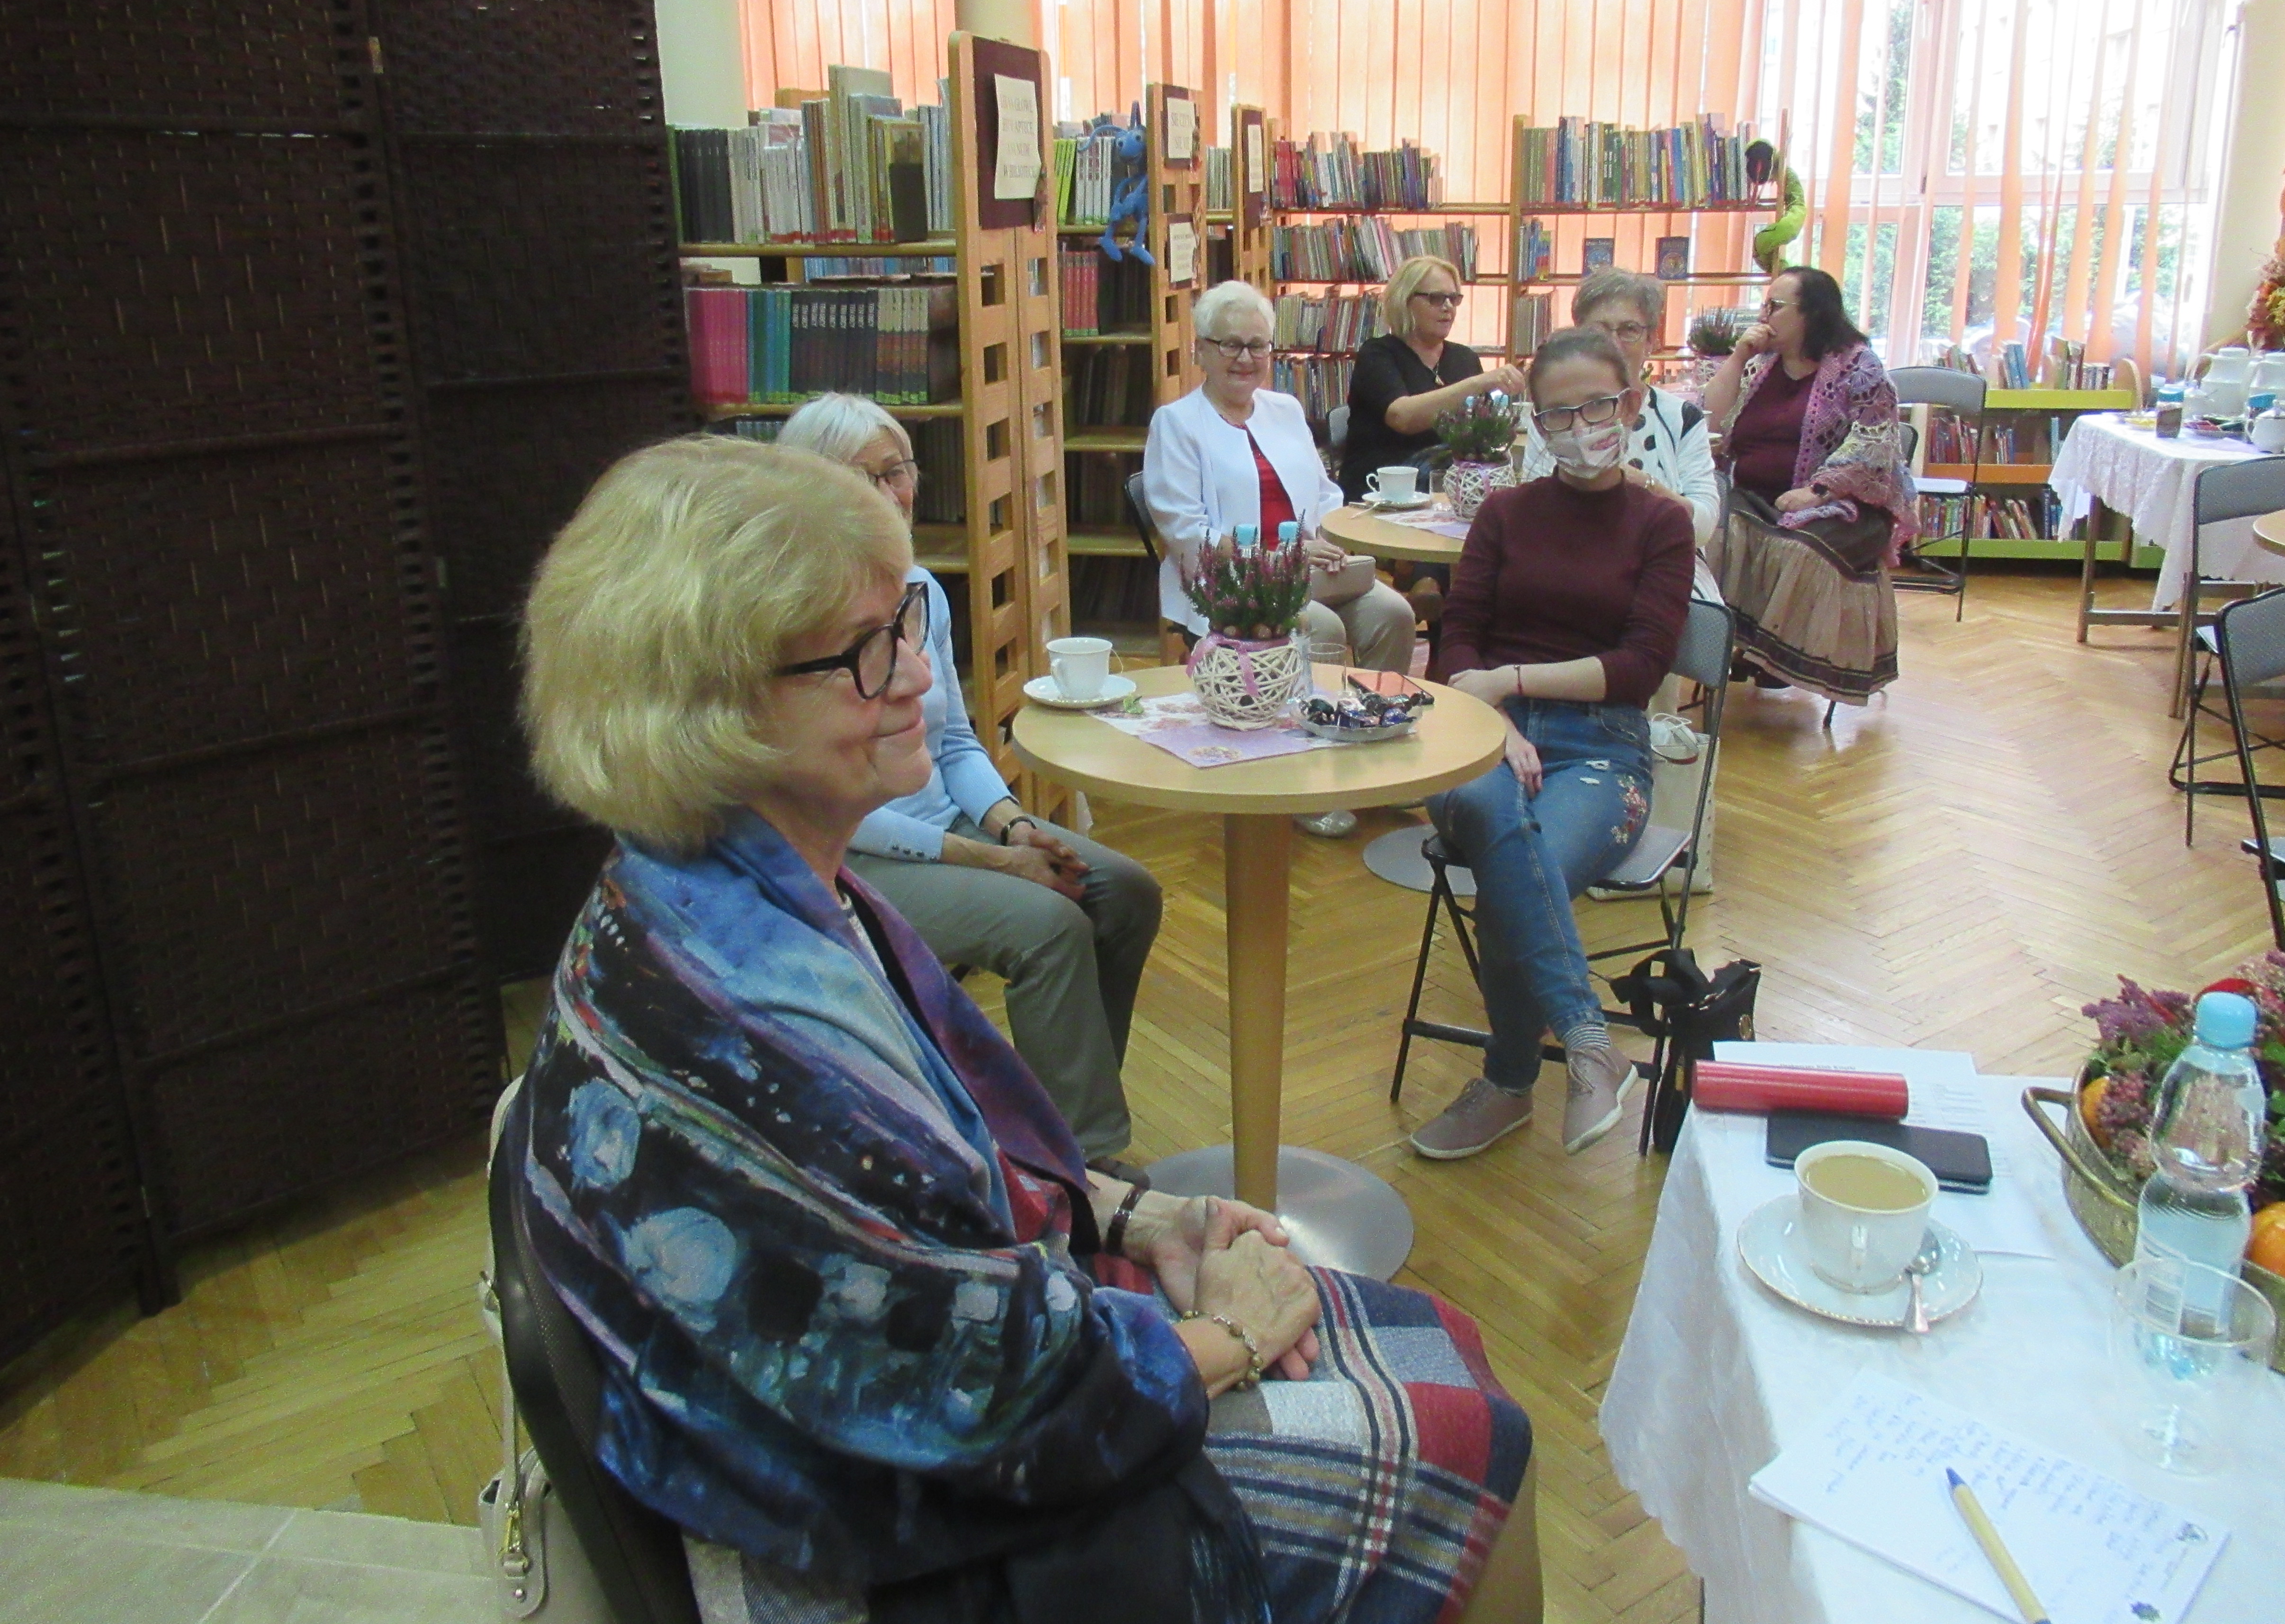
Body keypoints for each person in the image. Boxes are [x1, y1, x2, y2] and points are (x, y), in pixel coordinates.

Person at [514, 436, 1540, 1624]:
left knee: (1442, 1350)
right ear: (709, 709)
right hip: (890, 1539)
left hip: (926, 1407)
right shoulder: (751, 1017)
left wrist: (1137, 1214)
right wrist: (1230, 1335)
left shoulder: (732, 890)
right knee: (1466, 1430)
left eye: (904, 622)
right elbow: (991, 1401)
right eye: (865, 650)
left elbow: (939, 1178)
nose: (916, 673)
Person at [775, 395, 1160, 1177]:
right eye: (859, 478)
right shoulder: (797, 619)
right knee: (1050, 925)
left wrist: (1015, 826)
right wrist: (994, 859)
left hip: (950, 825)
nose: (887, 495)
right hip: (854, 856)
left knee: (1124, 891)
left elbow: (954, 742)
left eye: (896, 472)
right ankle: (1081, 1166)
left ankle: (1049, 1118)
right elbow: (835, 804)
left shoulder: (922, 589)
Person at [1407, 329, 1697, 1162]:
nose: (1580, 427)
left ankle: (1507, 1082)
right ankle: (1588, 1043)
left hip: (1601, 747)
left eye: (1597, 406)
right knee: (1498, 820)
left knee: (1515, 868)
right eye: (1559, 414)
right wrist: (1493, 720)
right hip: (1475, 737)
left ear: (1631, 403)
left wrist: (1510, 682)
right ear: (1535, 424)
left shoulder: (1662, 524)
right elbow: (1457, 639)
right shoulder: (1503, 513)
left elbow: (1639, 668)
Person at [1144, 279, 1419, 837]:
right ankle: (1304, 779)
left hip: (1312, 571)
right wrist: (1281, 553)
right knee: (1320, 628)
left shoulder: (1285, 410)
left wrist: (1334, 541)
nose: (1245, 359)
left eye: (1258, 346)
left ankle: (1373, 754)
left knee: (1395, 614)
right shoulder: (1177, 423)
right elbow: (1184, 529)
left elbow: (1325, 492)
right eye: (1230, 344)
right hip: (1237, 583)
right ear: (1202, 350)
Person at [1696, 266, 1915, 703]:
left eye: (1775, 307)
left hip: (1844, 504)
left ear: (1812, 314)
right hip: (1754, 494)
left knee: (1799, 549)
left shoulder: (1860, 368)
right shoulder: (1759, 366)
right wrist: (1737, 356)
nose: (1764, 315)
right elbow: (1711, 422)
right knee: (1710, 529)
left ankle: (1776, 658)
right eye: (1764, 305)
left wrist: (1817, 491)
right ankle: (1729, 646)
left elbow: (1874, 444)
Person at [1519, 267, 1720, 595]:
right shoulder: (1554, 417)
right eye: (1598, 331)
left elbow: (1704, 527)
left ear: (1651, 341)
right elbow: (1535, 517)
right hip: (1568, 562)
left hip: (1669, 568)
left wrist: (1644, 486)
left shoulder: (1682, 418)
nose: (1613, 344)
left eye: (1630, 330)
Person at [1337, 255, 1526, 503]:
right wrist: (1478, 383)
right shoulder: (1378, 354)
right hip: (1382, 493)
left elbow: (1479, 433)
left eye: (1454, 299)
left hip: (1447, 489)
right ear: (1405, 301)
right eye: (1436, 299)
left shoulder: (1464, 358)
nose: (1448, 307)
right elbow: (1403, 417)